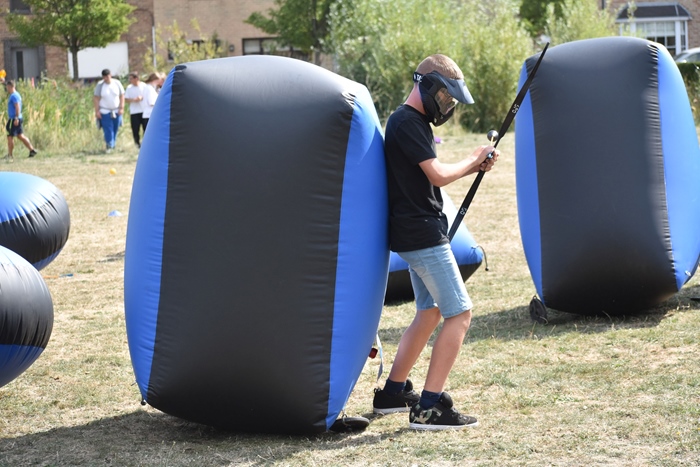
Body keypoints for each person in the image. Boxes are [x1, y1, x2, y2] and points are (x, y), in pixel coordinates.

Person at [372, 54, 498, 430]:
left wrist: (474, 165)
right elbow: (438, 175)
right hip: (422, 236)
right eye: (445, 96)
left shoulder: (411, 122)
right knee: (460, 314)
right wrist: (473, 159)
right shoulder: (407, 121)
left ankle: (392, 393)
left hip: (415, 233)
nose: (448, 105)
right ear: (425, 85)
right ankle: (429, 408)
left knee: (429, 313)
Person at [4, 80, 37, 161]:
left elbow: (17, 107)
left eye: (7, 87)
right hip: (18, 118)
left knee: (10, 136)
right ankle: (32, 150)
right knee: (20, 136)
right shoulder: (17, 94)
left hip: (13, 119)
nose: (7, 89)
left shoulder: (13, 96)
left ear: (10, 87)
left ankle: (10, 155)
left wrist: (16, 118)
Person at [93, 69, 125, 152]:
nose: (106, 78)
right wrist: (97, 111)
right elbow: (96, 98)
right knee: (108, 129)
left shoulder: (117, 83)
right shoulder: (100, 85)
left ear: (110, 75)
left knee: (115, 128)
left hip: (116, 110)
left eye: (107, 76)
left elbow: (122, 96)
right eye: (104, 77)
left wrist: (121, 107)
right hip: (105, 110)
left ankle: (113, 144)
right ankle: (109, 145)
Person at [124, 72, 147, 148]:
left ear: (136, 78)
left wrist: (141, 98)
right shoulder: (129, 88)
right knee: (135, 129)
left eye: (131, 78)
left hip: (144, 111)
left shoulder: (144, 86)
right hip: (134, 112)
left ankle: (145, 144)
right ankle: (137, 143)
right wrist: (134, 100)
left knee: (146, 128)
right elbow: (126, 99)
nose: (130, 80)